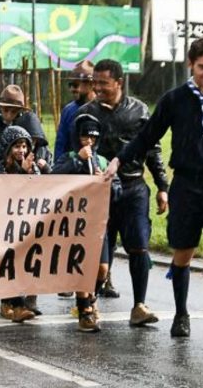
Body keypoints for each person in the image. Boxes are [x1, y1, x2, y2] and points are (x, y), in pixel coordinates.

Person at [109, 37, 203, 341]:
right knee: (183, 254)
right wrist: (119, 160)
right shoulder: (174, 99)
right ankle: (181, 314)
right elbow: (147, 136)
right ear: (191, 64)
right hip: (186, 186)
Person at [76, 59, 169, 320]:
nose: (97, 88)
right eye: (95, 82)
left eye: (103, 83)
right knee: (98, 253)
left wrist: (162, 186)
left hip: (133, 187)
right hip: (98, 192)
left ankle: (139, 305)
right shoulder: (86, 113)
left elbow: (153, 150)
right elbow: (74, 151)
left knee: (139, 245)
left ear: (119, 83)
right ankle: (88, 303)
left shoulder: (139, 111)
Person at [51, 119, 113, 332]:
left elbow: (118, 189)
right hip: (75, 222)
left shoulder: (102, 161)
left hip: (98, 222)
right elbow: (53, 178)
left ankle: (91, 296)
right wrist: (77, 161)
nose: (89, 141)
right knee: (81, 265)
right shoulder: (68, 158)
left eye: (93, 137)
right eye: (85, 136)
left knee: (102, 268)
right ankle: (84, 308)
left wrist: (106, 182)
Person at [0, 125, 43, 322]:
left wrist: (34, 170)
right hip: (2, 223)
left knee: (20, 262)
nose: (21, 151)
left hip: (25, 223)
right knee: (9, 261)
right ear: (8, 147)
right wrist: (21, 172)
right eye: (17, 146)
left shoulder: (33, 166)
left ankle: (10, 303)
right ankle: (17, 305)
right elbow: (5, 187)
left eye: (24, 146)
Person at [0, 85, 50, 175]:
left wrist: (41, 165)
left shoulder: (27, 124)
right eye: (5, 110)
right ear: (0, 107)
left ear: (20, 110)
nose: (8, 115)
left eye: (13, 111)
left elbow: (40, 147)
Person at [55, 60, 95, 155]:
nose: (72, 89)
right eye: (70, 85)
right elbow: (61, 146)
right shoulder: (68, 110)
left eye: (75, 85)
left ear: (91, 84)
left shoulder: (103, 109)